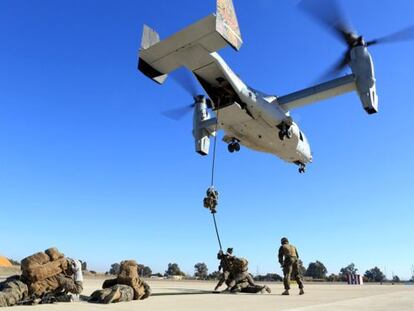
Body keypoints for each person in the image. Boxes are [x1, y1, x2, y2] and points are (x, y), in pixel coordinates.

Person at [0, 249, 83, 307]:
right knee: (3, 300)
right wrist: (78, 272)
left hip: (16, 280)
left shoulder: (53, 266)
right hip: (22, 289)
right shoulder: (62, 277)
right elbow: (78, 289)